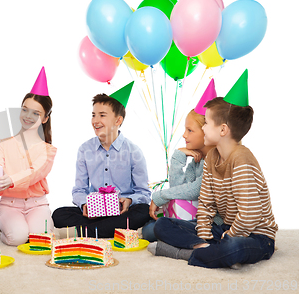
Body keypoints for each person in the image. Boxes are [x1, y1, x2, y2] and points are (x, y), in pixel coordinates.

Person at [149, 70, 278, 269]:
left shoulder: (241, 159)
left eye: (207, 123)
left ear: (223, 130)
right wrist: (204, 235)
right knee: (163, 225)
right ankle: (206, 249)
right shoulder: (211, 159)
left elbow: (250, 213)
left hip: (255, 235)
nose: (204, 128)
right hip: (224, 229)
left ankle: (184, 253)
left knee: (234, 246)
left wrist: (232, 235)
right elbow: (206, 205)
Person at [52, 82, 151, 238]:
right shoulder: (85, 149)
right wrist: (84, 204)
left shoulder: (134, 151)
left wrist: (128, 200)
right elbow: (79, 190)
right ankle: (108, 229)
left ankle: (82, 232)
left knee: (143, 212)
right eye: (93, 115)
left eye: (102, 115)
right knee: (58, 214)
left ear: (118, 120)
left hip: (121, 210)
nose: (95, 120)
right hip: (94, 212)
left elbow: (144, 193)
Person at [140, 80, 220, 242]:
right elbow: (179, 191)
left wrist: (159, 196)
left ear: (206, 132)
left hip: (213, 224)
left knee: (151, 230)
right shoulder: (197, 161)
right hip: (194, 218)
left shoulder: (215, 160)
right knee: (149, 225)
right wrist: (178, 156)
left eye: (190, 130)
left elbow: (195, 190)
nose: (184, 135)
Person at [0, 67, 57, 246]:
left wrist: (11, 179)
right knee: (18, 238)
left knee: (41, 240)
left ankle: (33, 228)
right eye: (25, 110)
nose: (28, 116)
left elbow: (34, 172)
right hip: (9, 205)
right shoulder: (2, 144)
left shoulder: (48, 150)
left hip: (37, 205)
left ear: (44, 118)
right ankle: (9, 229)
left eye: (36, 113)